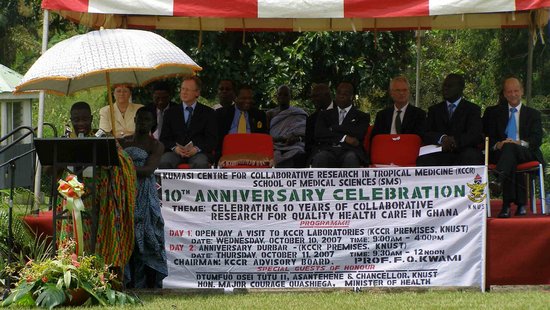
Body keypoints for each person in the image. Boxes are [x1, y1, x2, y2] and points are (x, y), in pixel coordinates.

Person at [57, 102, 137, 272]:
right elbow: (51, 170)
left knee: (98, 237)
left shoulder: (103, 139)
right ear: (71, 120)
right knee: (74, 236)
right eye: (76, 120)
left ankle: (100, 273)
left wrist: (112, 158)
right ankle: (72, 272)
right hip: (73, 198)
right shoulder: (66, 140)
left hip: (100, 199)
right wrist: (62, 153)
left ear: (92, 119)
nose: (80, 124)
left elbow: (125, 163)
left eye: (84, 119)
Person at [121, 107, 167, 288]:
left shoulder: (156, 145)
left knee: (148, 232)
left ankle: (147, 280)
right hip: (125, 190)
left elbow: (148, 170)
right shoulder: (123, 141)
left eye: (147, 120)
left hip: (144, 192)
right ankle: (127, 279)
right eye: (139, 118)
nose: (142, 122)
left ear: (153, 124)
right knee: (127, 231)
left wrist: (126, 170)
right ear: (134, 119)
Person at [485, 77, 544, 218]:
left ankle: (505, 202)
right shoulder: (494, 113)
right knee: (509, 152)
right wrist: (497, 144)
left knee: (511, 149)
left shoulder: (533, 114)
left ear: (522, 91)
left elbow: (537, 139)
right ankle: (521, 205)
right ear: (504, 94)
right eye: (509, 92)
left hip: (526, 151)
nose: (513, 94)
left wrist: (520, 143)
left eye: (516, 91)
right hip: (502, 152)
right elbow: (487, 135)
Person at [416, 73, 483, 166]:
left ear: (460, 88)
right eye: (444, 85)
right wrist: (442, 138)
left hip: (463, 150)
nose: (445, 88)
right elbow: (426, 132)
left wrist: (454, 142)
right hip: (439, 150)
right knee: (424, 159)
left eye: (450, 86)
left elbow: (474, 134)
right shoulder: (434, 110)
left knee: (472, 156)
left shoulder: (472, 109)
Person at [159, 76, 217, 169]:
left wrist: (196, 149)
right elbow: (164, 139)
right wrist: (175, 148)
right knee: (164, 161)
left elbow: (212, 140)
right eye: (182, 89)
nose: (184, 92)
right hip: (175, 153)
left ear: (197, 92)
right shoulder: (170, 113)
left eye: (187, 90)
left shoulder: (208, 113)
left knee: (201, 163)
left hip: (198, 153)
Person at [311, 82, 370, 168]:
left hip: (350, 150)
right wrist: (344, 138)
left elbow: (358, 133)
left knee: (351, 158)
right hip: (328, 149)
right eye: (339, 93)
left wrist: (333, 128)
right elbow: (319, 133)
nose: (341, 96)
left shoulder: (362, 116)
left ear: (352, 97)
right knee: (320, 157)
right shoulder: (324, 115)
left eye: (345, 94)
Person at [267, 85, 308, 168]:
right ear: (276, 97)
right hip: (274, 145)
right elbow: (266, 134)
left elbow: (305, 132)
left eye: (286, 95)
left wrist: (296, 138)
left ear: (290, 97)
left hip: (294, 145)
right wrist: (281, 139)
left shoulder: (299, 113)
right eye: (280, 94)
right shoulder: (269, 114)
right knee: (274, 155)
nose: (282, 97)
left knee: (299, 152)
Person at [305, 83, 333, 165]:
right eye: (312, 97)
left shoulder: (341, 111)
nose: (313, 100)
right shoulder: (311, 119)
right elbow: (308, 145)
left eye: (316, 96)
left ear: (327, 96)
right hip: (319, 154)